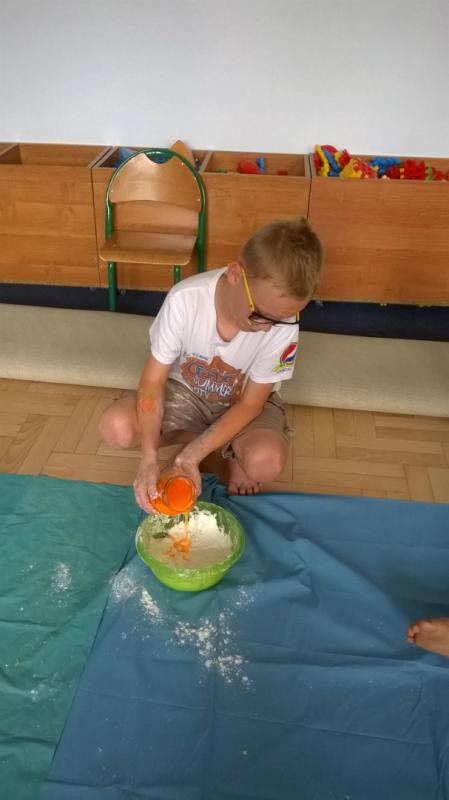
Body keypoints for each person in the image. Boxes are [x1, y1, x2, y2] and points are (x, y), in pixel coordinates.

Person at [99, 217, 323, 513]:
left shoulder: (282, 324)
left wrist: (190, 456)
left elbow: (250, 405)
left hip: (243, 402)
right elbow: (152, 382)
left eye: (281, 319)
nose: (268, 327)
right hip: (187, 394)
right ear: (235, 274)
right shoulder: (185, 299)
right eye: (260, 314)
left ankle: (210, 449)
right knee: (116, 427)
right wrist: (150, 457)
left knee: (266, 461)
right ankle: (210, 445)